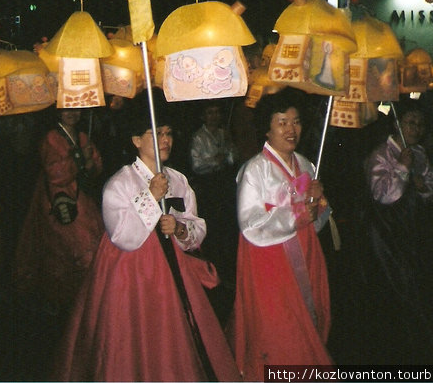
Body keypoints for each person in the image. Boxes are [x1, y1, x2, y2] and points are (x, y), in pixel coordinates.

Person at [51, 110, 242, 382]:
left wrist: (178, 228)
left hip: (173, 271)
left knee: (171, 334)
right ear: (136, 140)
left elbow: (196, 227)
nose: (165, 140)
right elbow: (121, 235)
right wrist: (150, 197)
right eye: (157, 134)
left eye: (168, 134)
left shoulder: (178, 180)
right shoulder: (120, 182)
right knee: (132, 337)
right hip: (131, 275)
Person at [227, 89, 332, 380]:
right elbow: (250, 225)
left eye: (296, 122)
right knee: (281, 330)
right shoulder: (254, 171)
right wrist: (297, 214)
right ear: (267, 126)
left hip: (306, 255)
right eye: (282, 122)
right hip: (270, 264)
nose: (291, 129)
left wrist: (318, 202)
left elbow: (320, 222)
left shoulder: (307, 165)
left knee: (309, 321)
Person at [359, 99, 433, 363]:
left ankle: (412, 350)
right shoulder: (379, 154)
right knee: (393, 289)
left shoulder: (418, 153)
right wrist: (402, 168)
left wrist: (423, 186)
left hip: (410, 232)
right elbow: (382, 194)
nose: (416, 129)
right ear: (397, 124)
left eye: (420, 124)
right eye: (411, 122)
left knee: (414, 287)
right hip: (385, 235)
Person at [12, 109, 104, 315]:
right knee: (63, 250)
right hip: (59, 199)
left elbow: (96, 166)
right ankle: (62, 302)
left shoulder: (82, 136)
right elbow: (56, 173)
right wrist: (81, 158)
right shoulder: (51, 138)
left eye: (75, 109)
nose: (71, 113)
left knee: (88, 246)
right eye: (66, 108)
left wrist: (90, 163)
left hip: (82, 198)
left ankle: (85, 299)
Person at [189, 100, 240, 282]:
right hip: (208, 186)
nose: (214, 117)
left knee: (227, 225)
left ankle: (228, 266)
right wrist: (214, 160)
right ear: (204, 116)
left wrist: (227, 151)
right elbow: (196, 165)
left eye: (217, 112)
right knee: (213, 227)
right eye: (210, 113)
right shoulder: (198, 137)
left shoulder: (222, 133)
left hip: (223, 184)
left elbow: (233, 158)